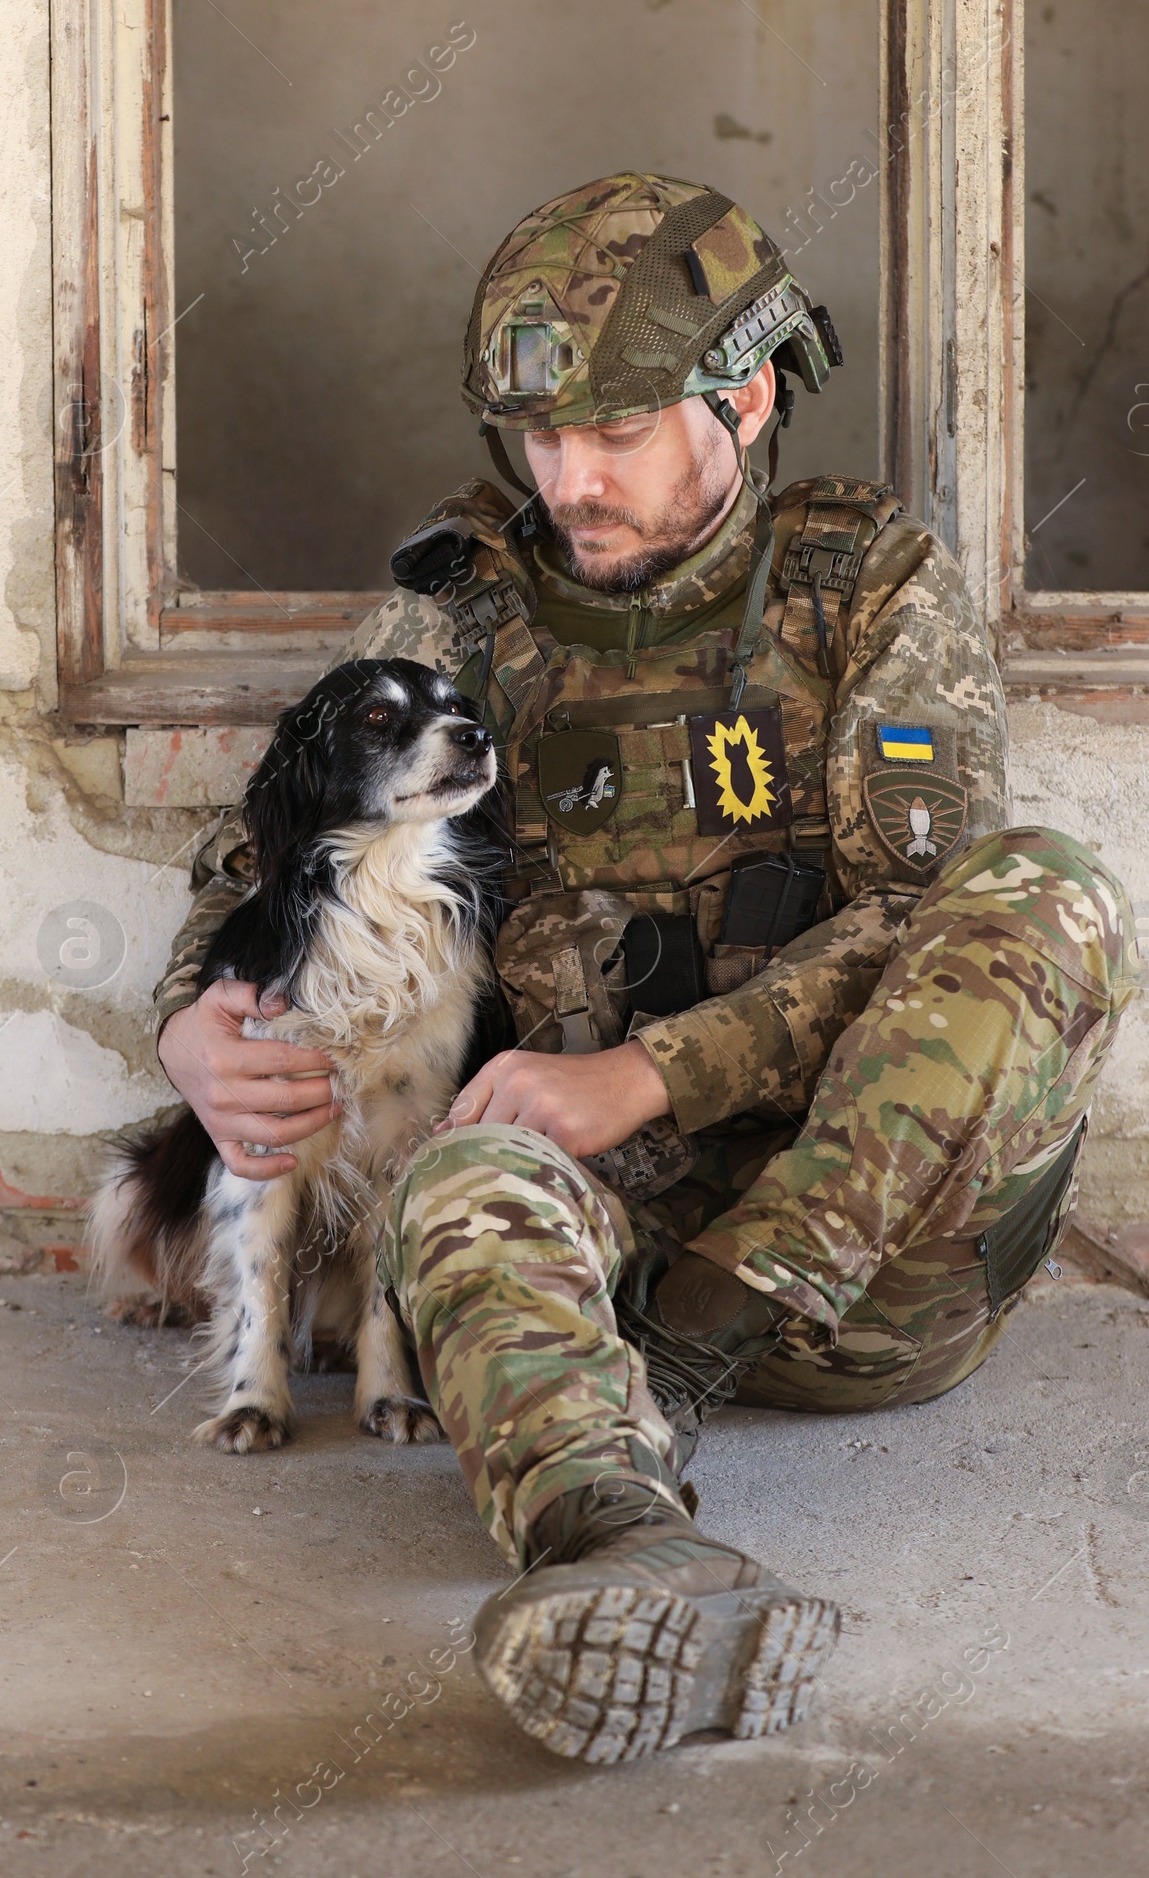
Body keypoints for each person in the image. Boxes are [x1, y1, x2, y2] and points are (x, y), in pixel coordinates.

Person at [152, 173, 1138, 1762]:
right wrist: (195, 1019)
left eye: (614, 434)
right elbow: (267, 850)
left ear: (740, 398)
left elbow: (919, 916)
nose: (569, 481)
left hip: (874, 1263)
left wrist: (654, 1073)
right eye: (539, 439)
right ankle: (622, 1536)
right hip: (598, 1261)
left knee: (1048, 894)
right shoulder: (467, 593)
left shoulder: (864, 584)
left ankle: (705, 1340)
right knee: (454, 1181)